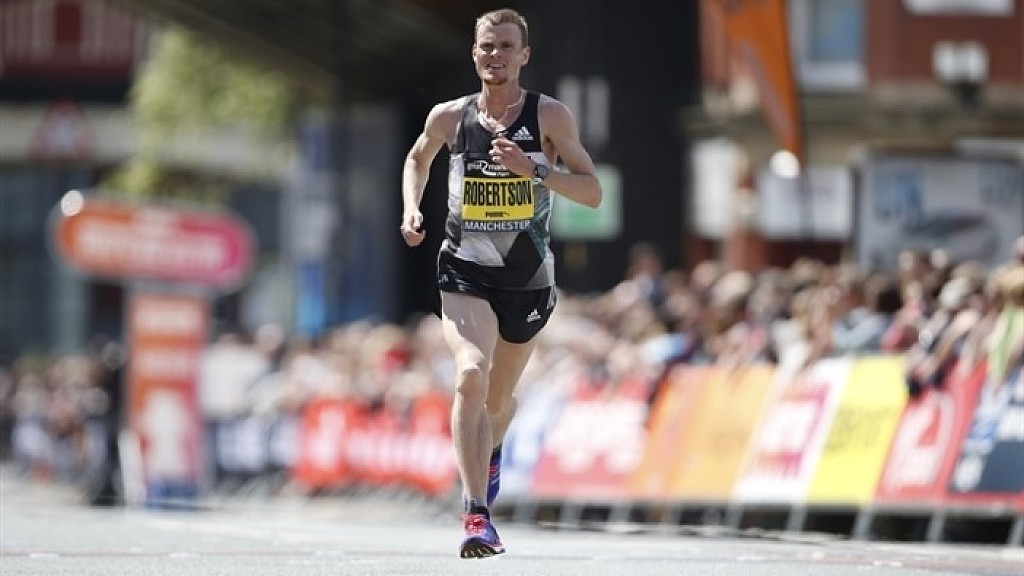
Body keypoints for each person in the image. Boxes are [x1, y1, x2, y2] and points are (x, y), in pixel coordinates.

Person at [400, 7, 602, 559]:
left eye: (506, 47)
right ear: (474, 53)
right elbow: (417, 159)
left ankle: (491, 451)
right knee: (470, 372)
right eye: (487, 46)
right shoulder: (450, 116)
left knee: (496, 402)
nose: (496, 55)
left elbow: (592, 192)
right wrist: (412, 208)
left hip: (527, 279)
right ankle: (475, 514)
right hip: (463, 269)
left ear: (523, 55)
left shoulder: (549, 115)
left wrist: (533, 169)